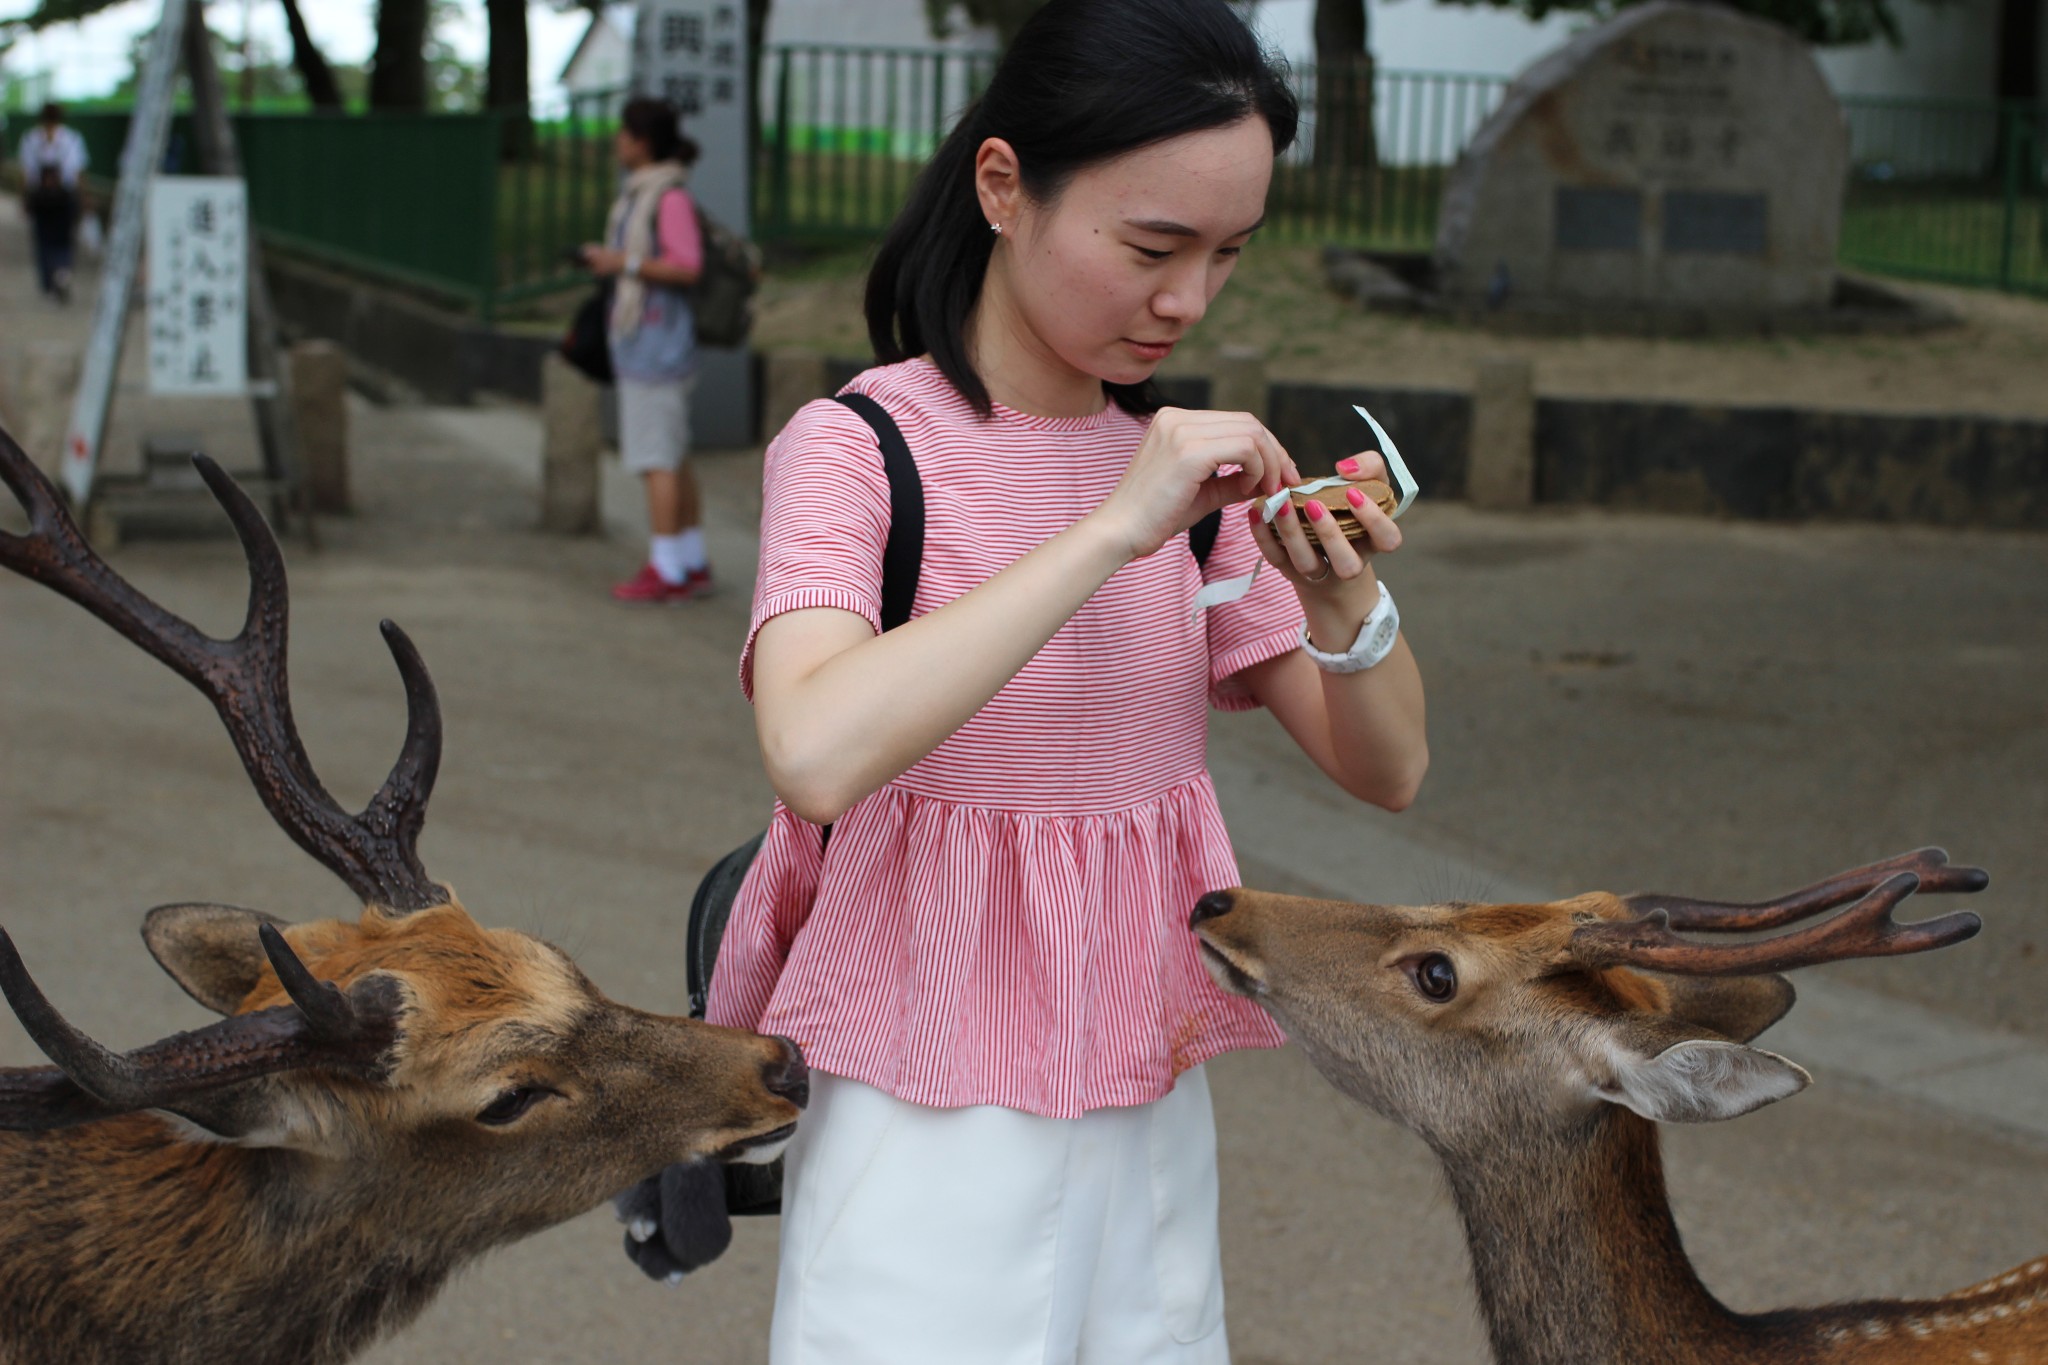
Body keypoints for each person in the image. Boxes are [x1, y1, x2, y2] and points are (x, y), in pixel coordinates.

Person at [706, 2, 1429, 1360]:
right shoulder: (862, 446)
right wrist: (1111, 527)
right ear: (1003, 187)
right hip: (920, 1085)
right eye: (1152, 248)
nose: (1187, 301)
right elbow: (813, 746)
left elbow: (1388, 770)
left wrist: (1344, 595)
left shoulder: (1189, 479)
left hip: (1142, 1087)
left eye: (1227, 255)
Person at [580, 96, 710, 602]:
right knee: (672, 455)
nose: (619, 141)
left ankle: (667, 567)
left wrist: (623, 263)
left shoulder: (665, 196)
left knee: (657, 457)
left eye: (625, 133)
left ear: (642, 141)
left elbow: (686, 265)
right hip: (655, 343)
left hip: (656, 347)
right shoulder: (648, 192)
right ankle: (690, 560)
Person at [17, 103, 86, 303]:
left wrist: (25, 200)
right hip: (65, 198)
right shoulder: (72, 139)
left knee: (43, 240)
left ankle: (48, 282)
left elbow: (26, 174)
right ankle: (63, 271)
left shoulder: (30, 139)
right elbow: (78, 172)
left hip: (40, 199)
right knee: (64, 238)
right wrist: (83, 199)